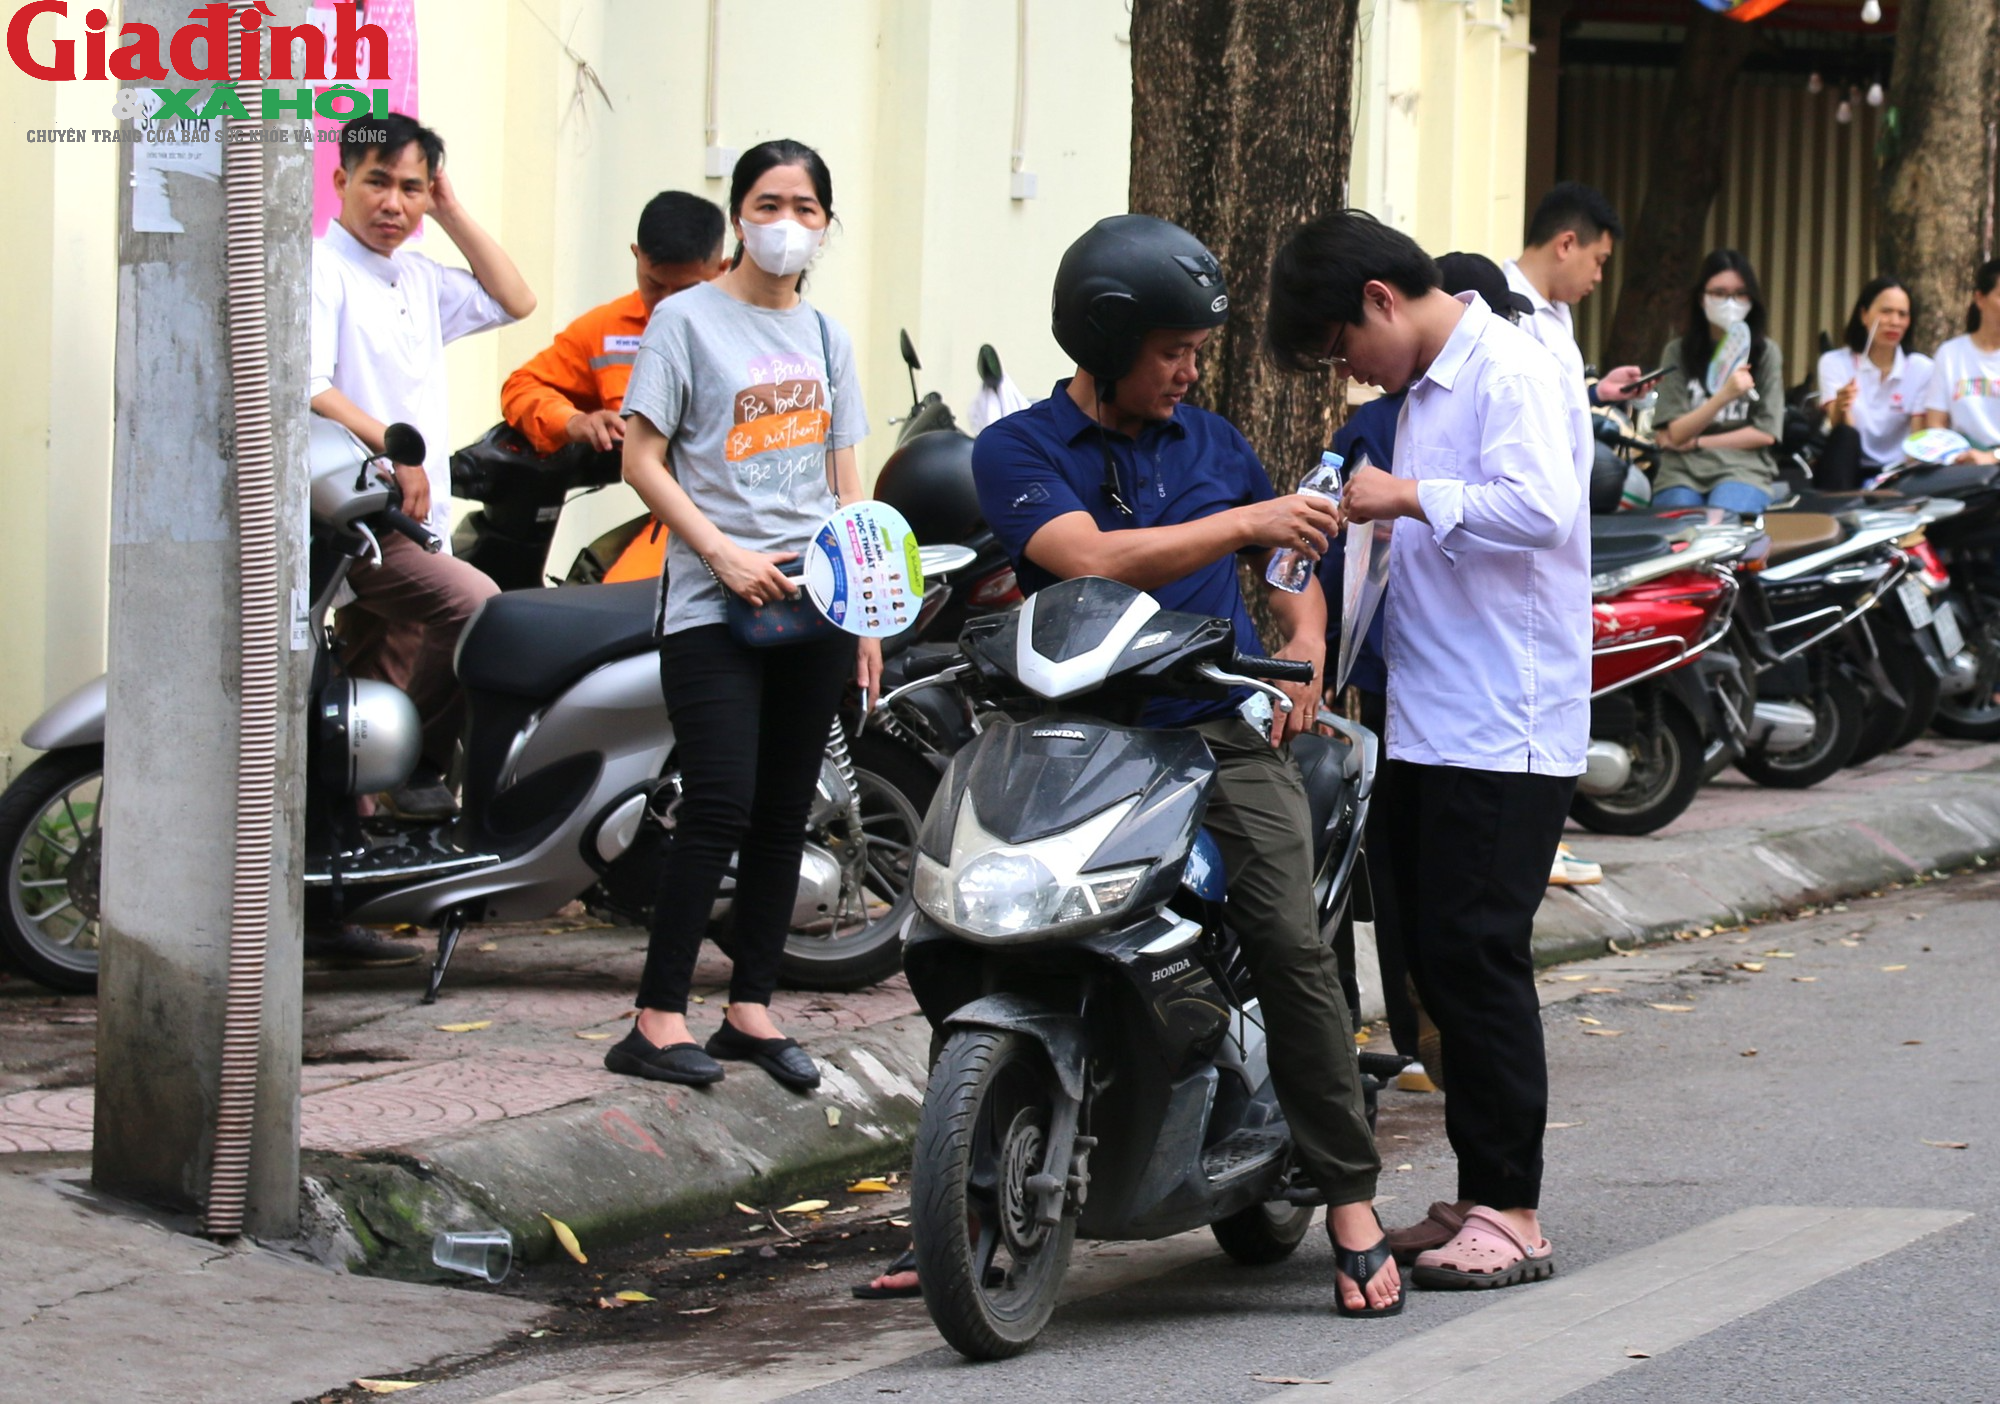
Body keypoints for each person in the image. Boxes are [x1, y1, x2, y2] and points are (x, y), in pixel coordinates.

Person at [966, 214, 1398, 1317]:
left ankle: (1348, 1198)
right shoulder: (1017, 448)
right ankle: (956, 1182)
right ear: (1105, 344)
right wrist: (1249, 520)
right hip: (1063, 732)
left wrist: (1298, 638)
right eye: (1171, 349)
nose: (1188, 369)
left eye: (1196, 350)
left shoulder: (1211, 445)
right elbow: (1093, 560)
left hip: (1205, 731)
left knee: (1288, 940)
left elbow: (1282, 559)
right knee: (963, 916)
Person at [1267, 209, 1592, 1291]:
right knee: (1430, 961)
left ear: (1377, 300)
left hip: (1506, 716)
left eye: (1339, 348)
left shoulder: (1512, 367)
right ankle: (1477, 1188)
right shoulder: (1416, 397)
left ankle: (1514, 1212)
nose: (1345, 372)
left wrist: (1404, 496)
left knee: (1477, 958)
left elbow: (1543, 508)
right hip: (1429, 713)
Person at [606, 140, 872, 1094]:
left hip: (817, 605)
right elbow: (642, 460)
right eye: (769, 203)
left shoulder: (830, 338)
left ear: (826, 226)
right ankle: (657, 1015)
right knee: (717, 796)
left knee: (784, 809)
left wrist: (868, 610)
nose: (787, 223)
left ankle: (750, 1010)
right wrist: (719, 551)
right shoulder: (685, 320)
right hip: (712, 603)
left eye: (806, 207)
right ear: (738, 215)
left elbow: (847, 480)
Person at [310, 112, 535, 963]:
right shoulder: (321, 271)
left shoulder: (414, 278)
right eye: (378, 181)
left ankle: (340, 890)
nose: (393, 203)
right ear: (341, 181)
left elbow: (515, 297)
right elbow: (307, 385)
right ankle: (415, 778)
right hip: (352, 522)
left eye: (411, 187)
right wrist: (388, 446)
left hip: (413, 523)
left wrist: (452, 211)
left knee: (369, 689)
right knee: (476, 607)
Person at [501, 192, 727, 456]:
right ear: (636, 255)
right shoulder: (604, 329)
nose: (666, 303)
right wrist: (572, 421)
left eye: (684, 291)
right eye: (654, 284)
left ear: (723, 269)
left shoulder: (752, 326)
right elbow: (521, 388)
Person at [1648, 250, 1784, 513]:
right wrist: (1724, 395)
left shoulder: (1766, 352)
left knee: (1722, 529)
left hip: (1743, 471)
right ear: (1702, 298)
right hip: (1680, 474)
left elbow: (1765, 433)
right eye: (1719, 293)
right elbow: (1675, 432)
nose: (1730, 302)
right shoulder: (1677, 351)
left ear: (1752, 299)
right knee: (1677, 531)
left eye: (1740, 293)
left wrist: (1699, 442)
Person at [1504, 182, 1644, 405]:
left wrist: (1596, 394)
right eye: (1598, 261)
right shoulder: (1507, 312)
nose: (1598, 276)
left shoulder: (1556, 307)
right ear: (1566, 244)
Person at [1816, 277, 1935, 490]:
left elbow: (1917, 439)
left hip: (1899, 470)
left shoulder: (1921, 368)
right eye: (1886, 311)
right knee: (1844, 435)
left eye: (1902, 314)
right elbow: (1838, 429)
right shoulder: (1834, 362)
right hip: (1850, 465)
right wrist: (1843, 405)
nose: (1894, 321)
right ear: (1864, 315)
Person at [1921, 258, 2000, 466]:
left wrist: (1992, 457)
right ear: (1980, 299)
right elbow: (1936, 424)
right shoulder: (1950, 354)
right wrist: (1954, 457)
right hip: (1962, 467)